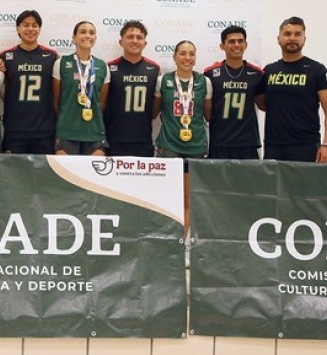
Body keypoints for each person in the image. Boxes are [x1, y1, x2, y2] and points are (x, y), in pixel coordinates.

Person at [255, 16, 327, 163]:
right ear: (278, 39)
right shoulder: (269, 71)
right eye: (287, 34)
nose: (292, 38)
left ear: (304, 39)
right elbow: (262, 103)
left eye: (298, 34)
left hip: (306, 145)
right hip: (274, 146)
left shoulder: (317, 70)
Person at [153, 40, 212, 240]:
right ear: (174, 56)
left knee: (189, 197)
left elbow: (208, 115)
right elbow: (154, 112)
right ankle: (167, 239)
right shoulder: (163, 81)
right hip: (169, 145)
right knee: (168, 196)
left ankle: (185, 240)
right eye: (183, 53)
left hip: (196, 147)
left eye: (191, 54)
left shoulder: (204, 82)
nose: (187, 58)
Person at [0, 10, 59, 154]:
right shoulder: (5, 57)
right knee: (13, 168)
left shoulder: (52, 56)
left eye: (34, 25)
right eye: (25, 25)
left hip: (44, 129)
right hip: (15, 128)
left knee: (43, 168)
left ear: (39, 29)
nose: (30, 29)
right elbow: (0, 89)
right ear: (18, 28)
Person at [203, 25, 264, 160]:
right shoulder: (210, 73)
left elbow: (262, 104)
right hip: (219, 142)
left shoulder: (257, 73)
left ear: (246, 45)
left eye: (240, 41)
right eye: (231, 41)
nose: (236, 45)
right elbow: (206, 110)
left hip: (247, 143)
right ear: (222, 46)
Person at [101, 20, 160, 157]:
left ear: (145, 43)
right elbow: (101, 104)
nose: (135, 41)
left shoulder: (154, 69)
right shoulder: (109, 68)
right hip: (114, 139)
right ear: (121, 42)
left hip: (143, 140)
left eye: (139, 37)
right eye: (130, 37)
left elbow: (155, 110)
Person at [52, 21, 109, 155]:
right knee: (64, 170)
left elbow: (101, 103)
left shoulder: (103, 66)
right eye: (83, 32)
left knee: (94, 169)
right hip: (67, 132)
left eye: (91, 33)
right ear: (74, 37)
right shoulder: (61, 63)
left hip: (94, 133)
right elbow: (56, 100)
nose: (87, 35)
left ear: (95, 38)